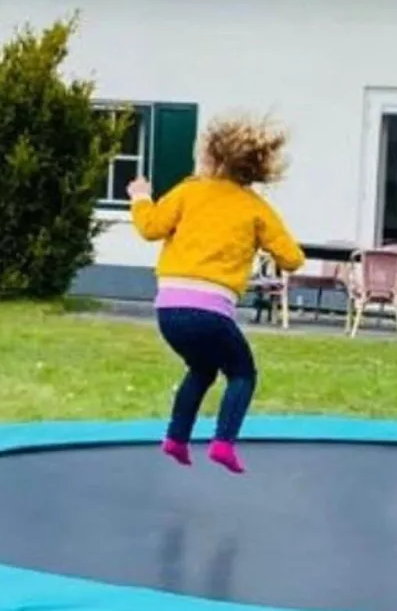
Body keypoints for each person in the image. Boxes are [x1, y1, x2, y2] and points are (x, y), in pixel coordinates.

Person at [128, 113, 305, 474]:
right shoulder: (256, 208)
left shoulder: (188, 191)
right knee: (242, 373)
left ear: (210, 156)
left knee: (202, 368)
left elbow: (150, 228)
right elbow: (292, 259)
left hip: (169, 309)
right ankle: (223, 442)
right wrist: (263, 243)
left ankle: (176, 439)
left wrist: (141, 197)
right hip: (210, 311)